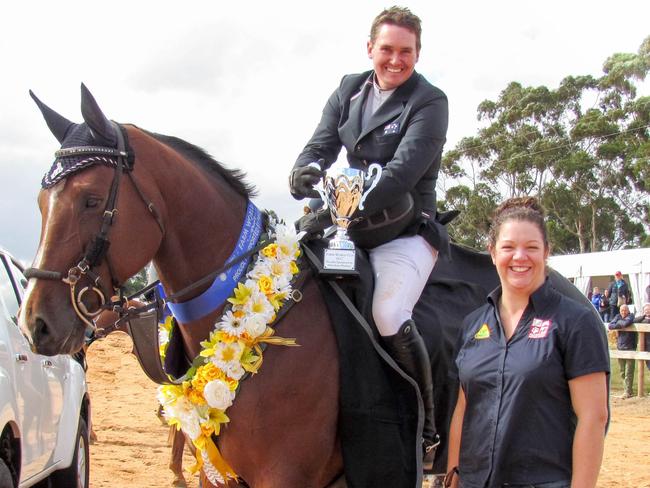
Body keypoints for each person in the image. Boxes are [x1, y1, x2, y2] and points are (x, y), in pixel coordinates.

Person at [288, 6, 448, 469]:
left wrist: (343, 212)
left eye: (406, 52)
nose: (395, 60)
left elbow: (400, 175)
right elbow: (320, 144)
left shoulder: (430, 102)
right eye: (387, 50)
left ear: (418, 53)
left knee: (387, 310)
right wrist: (305, 170)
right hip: (348, 225)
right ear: (370, 49)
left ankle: (427, 427)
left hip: (403, 229)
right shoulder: (348, 89)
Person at [446, 197, 609, 488]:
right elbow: (464, 408)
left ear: (546, 251)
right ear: (492, 252)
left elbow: (593, 417)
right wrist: (453, 475)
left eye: (531, 247)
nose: (519, 257)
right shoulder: (473, 325)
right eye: (508, 247)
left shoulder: (575, 322)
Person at [609, 304, 637, 398]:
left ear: (628, 310)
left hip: (630, 347)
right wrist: (619, 323)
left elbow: (626, 323)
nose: (623, 312)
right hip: (620, 347)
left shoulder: (631, 316)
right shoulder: (618, 316)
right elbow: (610, 325)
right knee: (622, 371)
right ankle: (627, 390)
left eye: (625, 310)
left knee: (629, 371)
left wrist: (618, 324)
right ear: (619, 311)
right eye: (622, 310)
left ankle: (628, 391)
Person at [633, 303, 650, 371]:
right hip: (646, 343)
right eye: (646, 310)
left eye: (648, 310)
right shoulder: (642, 319)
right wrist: (644, 316)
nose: (647, 311)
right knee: (648, 362)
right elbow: (634, 321)